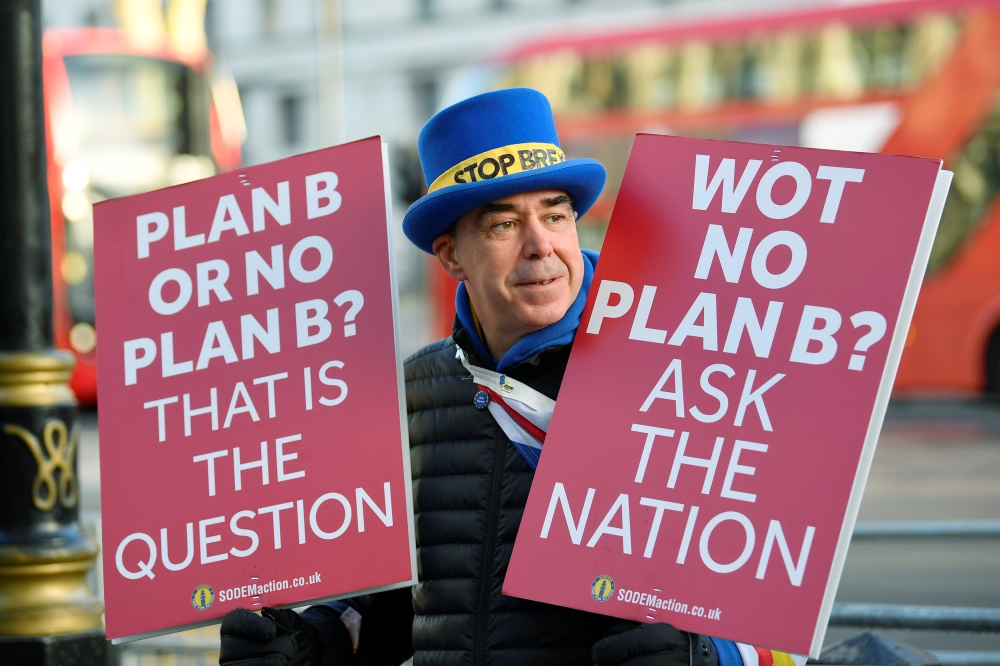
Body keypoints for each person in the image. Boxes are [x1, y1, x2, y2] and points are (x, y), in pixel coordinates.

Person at [217, 88, 784, 666]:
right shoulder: (414, 392)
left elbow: (773, 610)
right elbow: (400, 605)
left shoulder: (673, 373)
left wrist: (710, 657)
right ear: (451, 255)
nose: (541, 246)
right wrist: (311, 646)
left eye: (556, 215)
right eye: (504, 225)